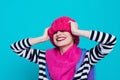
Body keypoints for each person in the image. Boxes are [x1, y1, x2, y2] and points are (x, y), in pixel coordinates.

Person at [10, 16, 117, 80]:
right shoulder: (43, 57)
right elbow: (16, 48)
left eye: (63, 30)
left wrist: (78, 31)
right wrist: (42, 38)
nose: (58, 34)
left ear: (73, 35)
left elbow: (110, 41)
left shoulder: (87, 57)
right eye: (55, 32)